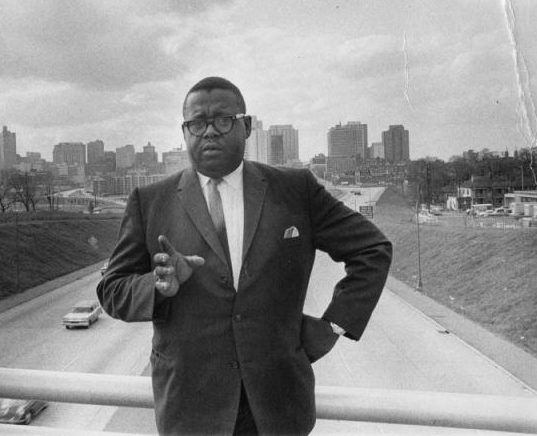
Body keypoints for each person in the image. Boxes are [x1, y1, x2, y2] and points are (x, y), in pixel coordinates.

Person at [97, 76, 392, 435]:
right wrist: (157, 287)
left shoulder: (296, 190)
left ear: (246, 126)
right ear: (185, 131)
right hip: (190, 408)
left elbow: (372, 249)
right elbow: (112, 290)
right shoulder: (150, 202)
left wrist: (335, 324)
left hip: (278, 405)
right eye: (196, 123)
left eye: (223, 120)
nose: (209, 132)